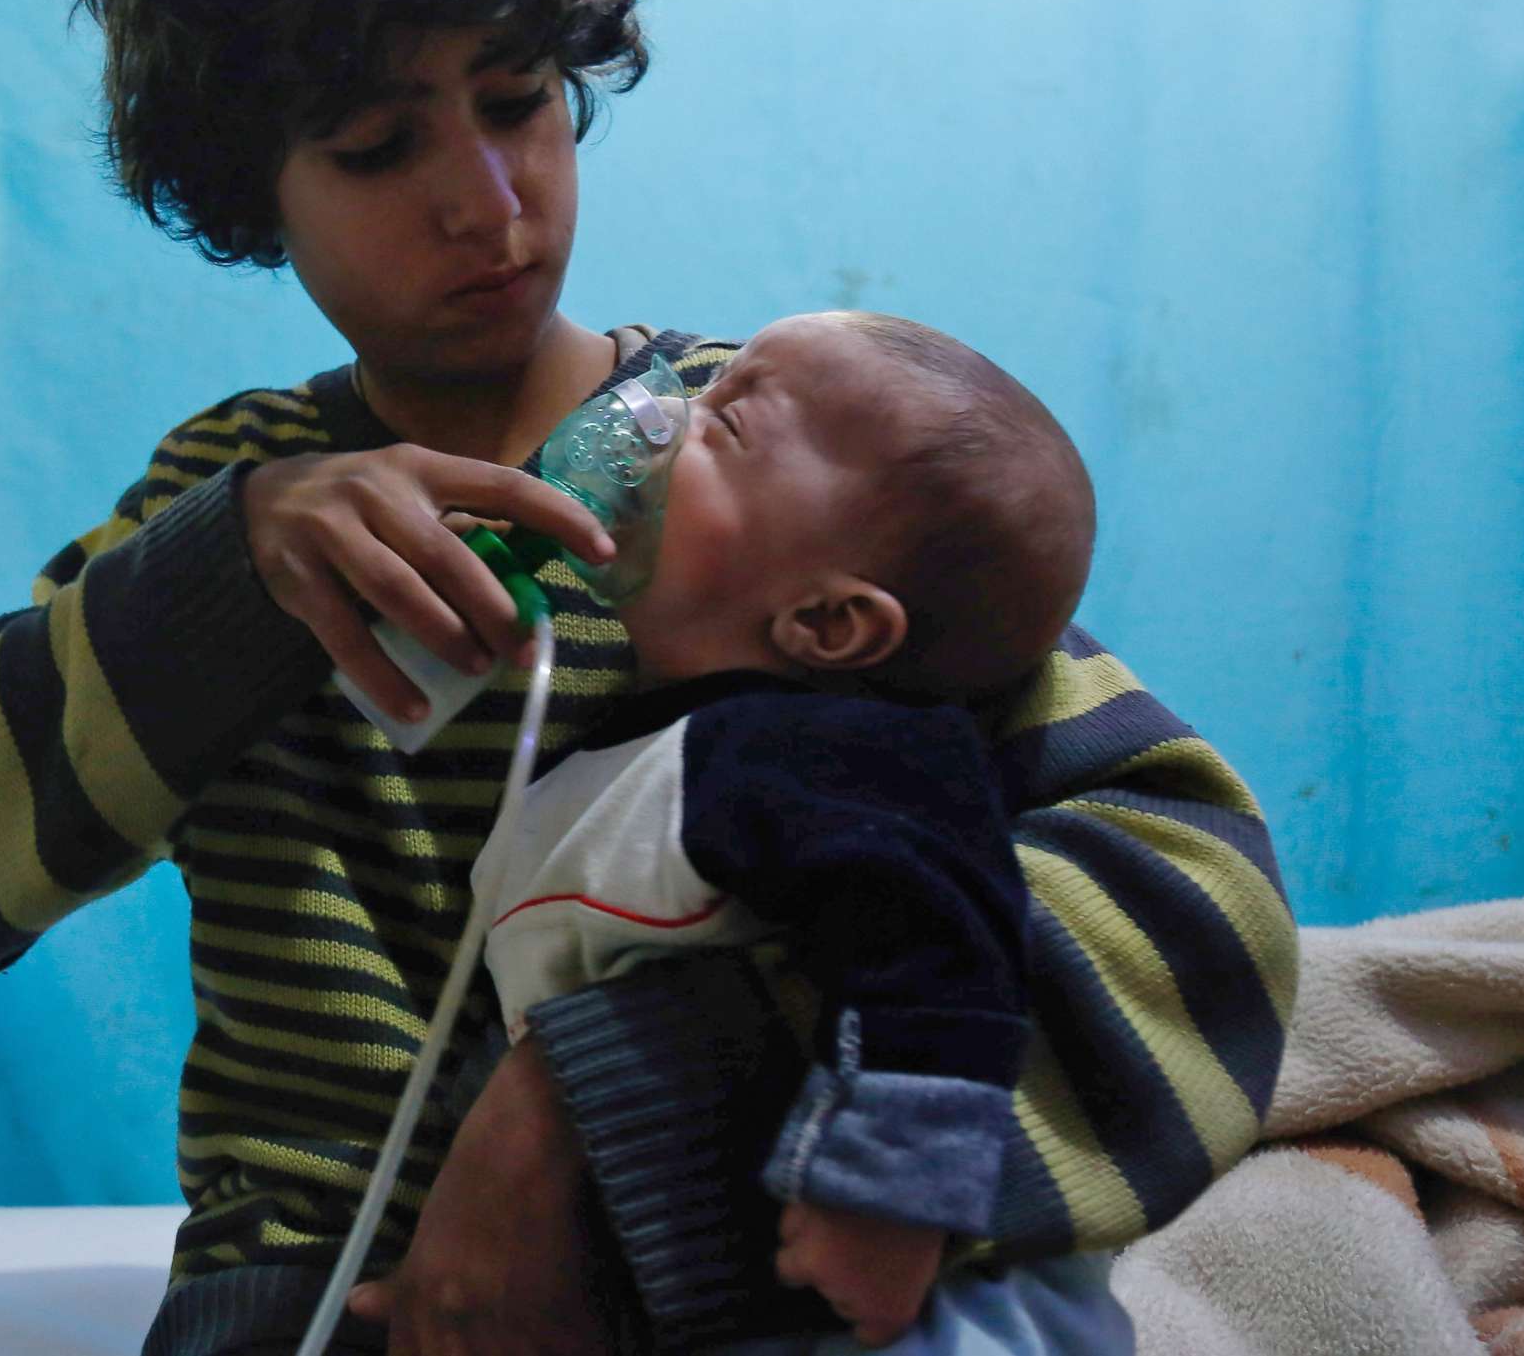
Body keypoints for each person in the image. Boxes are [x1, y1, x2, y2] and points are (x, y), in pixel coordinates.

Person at [0, 0, 1299, 1356]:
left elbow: (1200, 919)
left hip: (699, 1283)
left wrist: (623, 1092)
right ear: (249, 188)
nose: (489, 207)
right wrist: (227, 570)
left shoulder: (777, 479)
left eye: (517, 102)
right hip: (304, 1300)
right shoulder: (227, 511)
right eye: (377, 146)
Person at [470, 310, 1122, 1351]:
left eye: (726, 423)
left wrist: (890, 1192)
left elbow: (940, 929)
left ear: (827, 623)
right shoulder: (623, 762)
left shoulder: (824, 751)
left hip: (924, 1311)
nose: (653, 413)